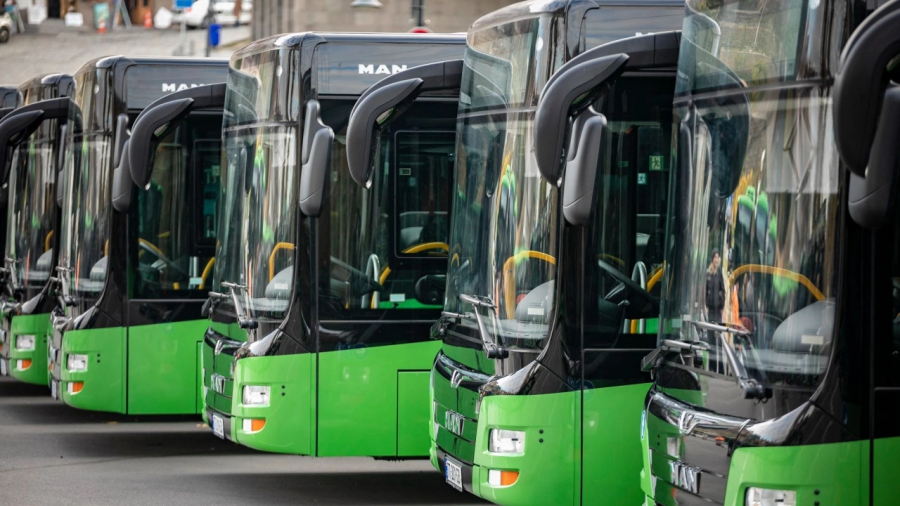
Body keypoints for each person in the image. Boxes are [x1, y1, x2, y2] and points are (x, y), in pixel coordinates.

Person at [705, 248, 725, 323]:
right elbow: (705, 290)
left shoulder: (719, 272)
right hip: (710, 309)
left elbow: (723, 290)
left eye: (717, 257)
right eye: (715, 257)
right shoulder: (708, 273)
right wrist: (706, 305)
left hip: (718, 310)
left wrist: (722, 307)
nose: (716, 260)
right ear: (712, 258)